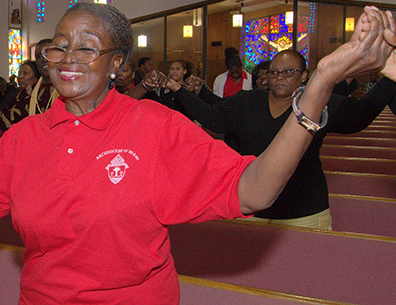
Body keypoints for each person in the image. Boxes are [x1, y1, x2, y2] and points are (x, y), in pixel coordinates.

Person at [0, 2, 393, 304]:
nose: (68, 56)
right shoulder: (25, 138)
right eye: (59, 46)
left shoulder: (152, 127)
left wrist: (322, 83)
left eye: (87, 47)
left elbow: (256, 190)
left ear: (116, 63)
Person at [154, 19, 396, 229]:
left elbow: (359, 117)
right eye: (274, 72)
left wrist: (390, 78)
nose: (279, 77)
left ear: (304, 76)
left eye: (288, 72)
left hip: (304, 212)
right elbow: (212, 117)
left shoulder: (317, 102)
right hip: (254, 210)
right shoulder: (250, 101)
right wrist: (178, 89)